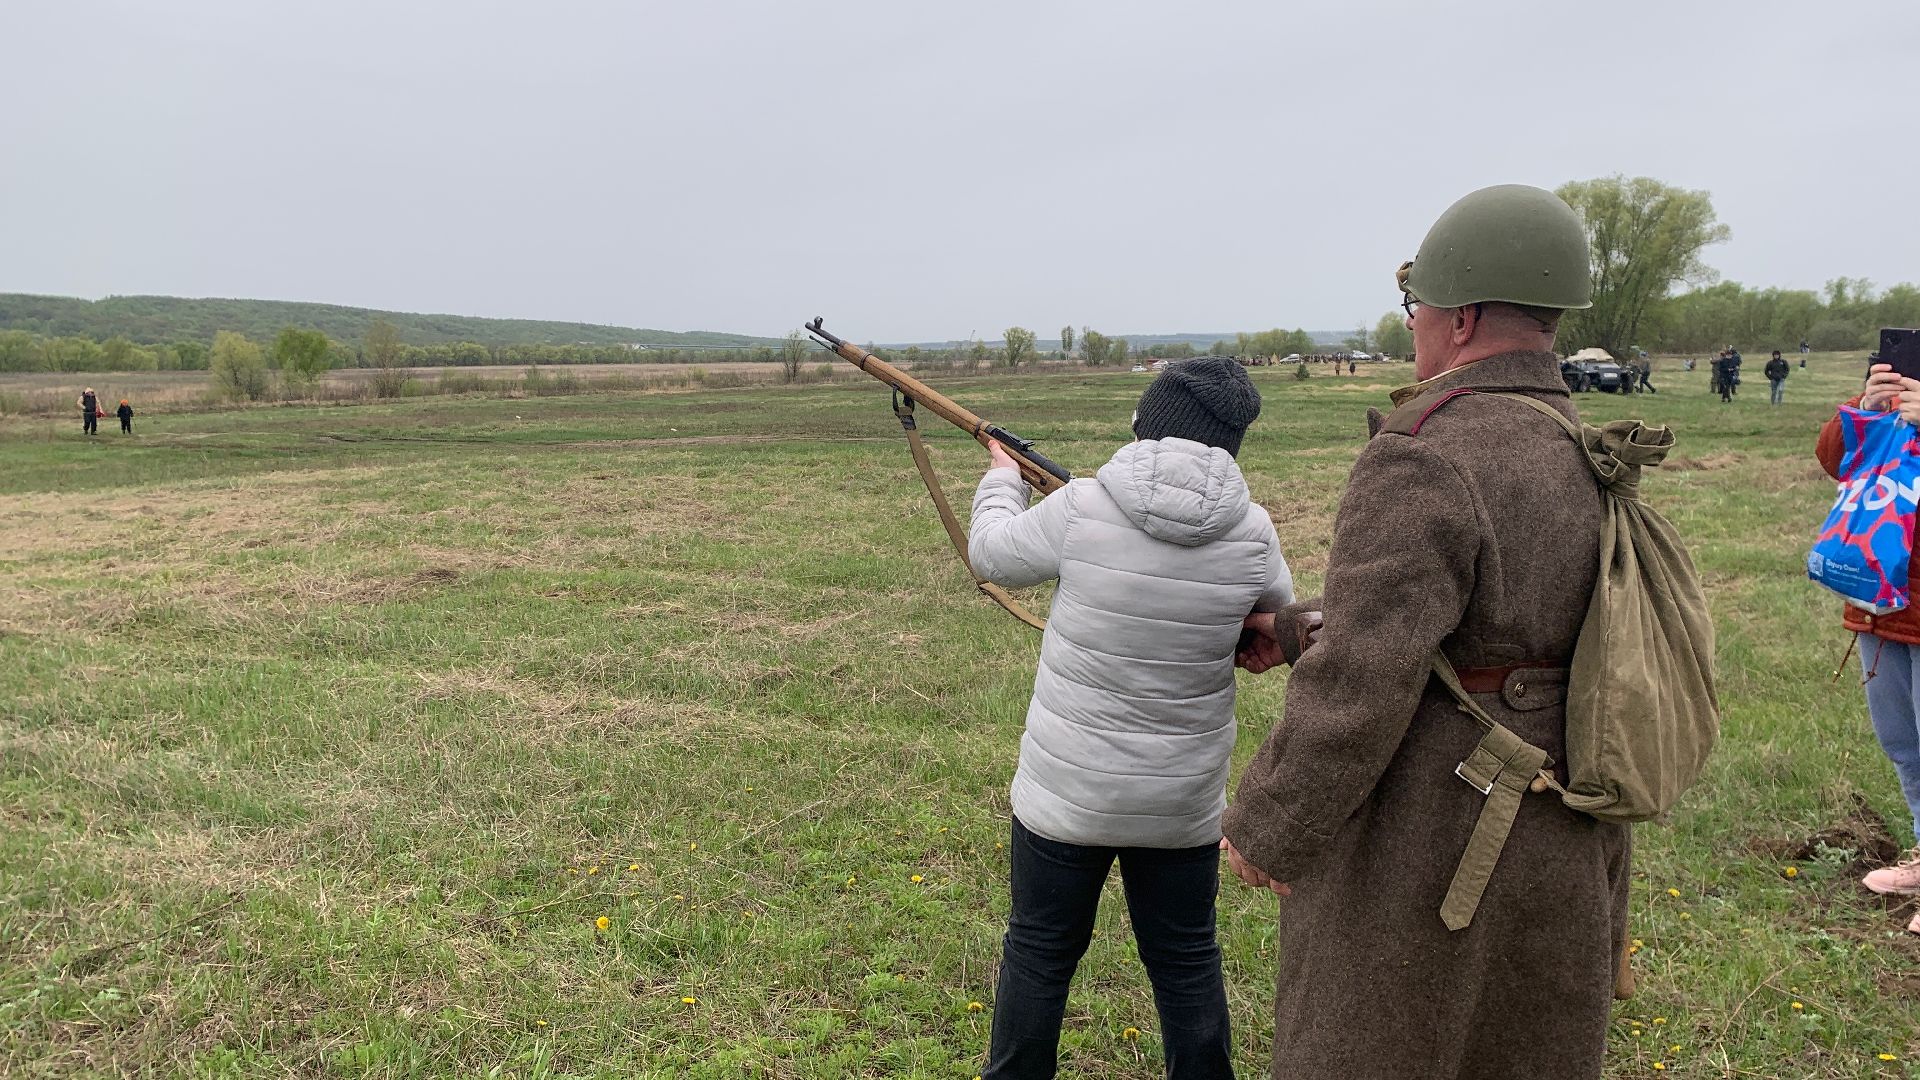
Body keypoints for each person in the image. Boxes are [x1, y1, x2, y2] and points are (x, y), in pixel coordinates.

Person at [1221, 184, 1628, 1080]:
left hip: (1435, 834)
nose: (1416, 328)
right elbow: (1497, 629)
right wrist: (1295, 628)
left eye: (1419, 308)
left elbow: (1365, 675)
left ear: (1462, 317)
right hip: (1565, 818)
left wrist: (1271, 823)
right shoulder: (1582, 445)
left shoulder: (1425, 452)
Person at [969, 355, 1294, 1079]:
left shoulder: (1082, 505)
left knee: (1039, 954)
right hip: (1181, 802)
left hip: (1065, 795)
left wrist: (1002, 479)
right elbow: (1274, 617)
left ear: (1149, 424)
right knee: (1185, 960)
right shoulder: (1253, 530)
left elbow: (990, 553)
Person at [1815, 362, 1920, 937]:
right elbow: (1835, 459)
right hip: (1881, 605)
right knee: (1904, 744)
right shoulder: (1893, 403)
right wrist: (1864, 408)